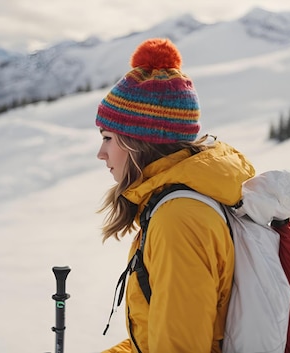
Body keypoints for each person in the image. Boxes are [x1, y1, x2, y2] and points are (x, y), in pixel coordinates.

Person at [96, 38, 255, 353]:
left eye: (108, 138)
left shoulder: (179, 220)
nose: (101, 153)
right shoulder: (187, 199)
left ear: (137, 142)